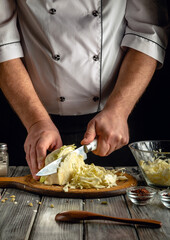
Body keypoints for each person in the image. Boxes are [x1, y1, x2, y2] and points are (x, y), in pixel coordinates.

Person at [0, 0, 169, 180]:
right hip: (31, 123)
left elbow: (148, 33)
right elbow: (3, 41)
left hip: (111, 127)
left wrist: (119, 110)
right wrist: (36, 122)